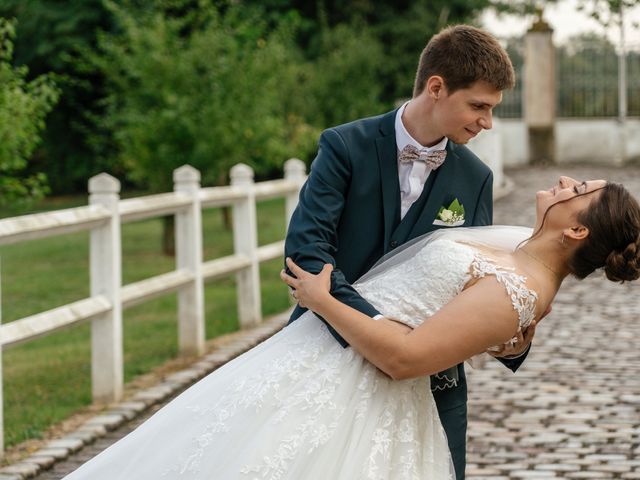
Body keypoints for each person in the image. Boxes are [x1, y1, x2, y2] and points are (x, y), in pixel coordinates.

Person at [63, 177, 640, 480]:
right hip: (313, 364)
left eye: (580, 191)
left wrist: (323, 300)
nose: (566, 182)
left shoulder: (522, 285)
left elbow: (407, 359)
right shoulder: (518, 249)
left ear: (579, 233)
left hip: (360, 390)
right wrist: (521, 333)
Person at [283, 24, 519, 478]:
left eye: (490, 110)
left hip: (430, 385)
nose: (486, 122)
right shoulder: (344, 146)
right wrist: (377, 329)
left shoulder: (476, 179)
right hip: (324, 359)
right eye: (478, 106)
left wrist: (511, 340)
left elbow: (479, 280)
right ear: (437, 88)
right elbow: (307, 253)